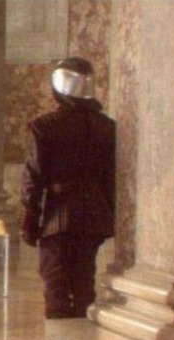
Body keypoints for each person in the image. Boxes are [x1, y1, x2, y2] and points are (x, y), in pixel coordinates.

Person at [19, 57, 115, 319]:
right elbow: (111, 179)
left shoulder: (45, 126)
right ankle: (83, 337)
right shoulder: (107, 127)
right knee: (85, 280)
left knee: (55, 284)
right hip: (95, 213)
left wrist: (29, 219)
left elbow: (34, 177)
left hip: (58, 214)